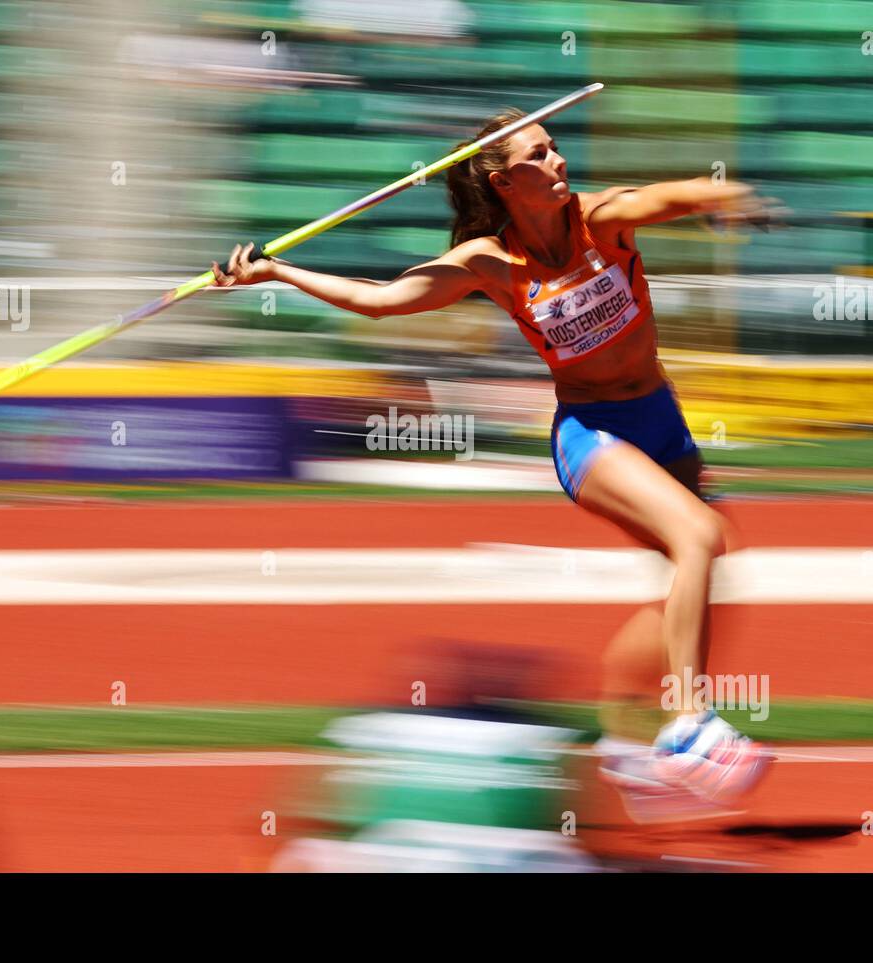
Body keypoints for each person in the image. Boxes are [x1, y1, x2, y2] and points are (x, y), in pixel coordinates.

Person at [209, 107, 781, 817]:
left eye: (556, 146)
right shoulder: (490, 262)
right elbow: (383, 302)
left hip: (662, 417)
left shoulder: (600, 221)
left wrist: (729, 199)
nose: (560, 160)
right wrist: (274, 271)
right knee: (696, 537)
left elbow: (675, 195)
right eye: (540, 155)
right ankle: (687, 723)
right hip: (593, 436)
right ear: (505, 180)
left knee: (704, 562)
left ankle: (619, 736)